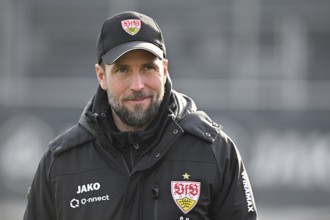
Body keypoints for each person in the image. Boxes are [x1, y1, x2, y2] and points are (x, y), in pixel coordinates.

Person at [23, 11, 258, 220]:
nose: (137, 85)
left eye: (148, 68)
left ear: (164, 70)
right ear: (101, 77)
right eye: (122, 70)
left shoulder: (215, 151)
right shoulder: (61, 162)